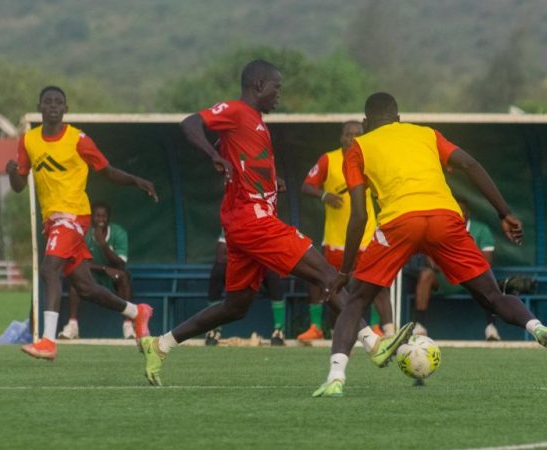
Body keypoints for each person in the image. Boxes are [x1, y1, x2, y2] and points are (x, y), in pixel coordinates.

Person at [140, 60, 412, 386]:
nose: (279, 94)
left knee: (235, 306)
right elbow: (190, 123)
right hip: (253, 221)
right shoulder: (238, 111)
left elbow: (238, 154)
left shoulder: (253, 122)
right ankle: (374, 344)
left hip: (246, 223)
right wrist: (213, 157)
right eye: (276, 87)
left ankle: (159, 345)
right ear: (258, 86)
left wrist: (270, 179)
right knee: (326, 274)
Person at [316, 92, 547, 397]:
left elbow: (360, 214)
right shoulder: (426, 134)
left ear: (365, 124)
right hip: (446, 218)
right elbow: (470, 164)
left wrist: (346, 269)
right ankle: (536, 328)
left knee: (355, 302)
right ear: (399, 119)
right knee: (492, 297)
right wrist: (504, 212)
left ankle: (336, 377)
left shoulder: (358, 148)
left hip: (400, 222)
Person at [5, 85, 158, 361]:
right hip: (51, 220)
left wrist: (136, 180)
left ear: (65, 109)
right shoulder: (28, 140)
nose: (52, 106)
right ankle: (137, 313)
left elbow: (107, 170)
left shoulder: (78, 139)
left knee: (49, 269)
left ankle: (48, 341)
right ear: (40, 107)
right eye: (47, 101)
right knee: (86, 288)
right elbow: (18, 185)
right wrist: (11, 172)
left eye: (58, 102)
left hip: (74, 216)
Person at [300, 121, 394, 341]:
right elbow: (306, 185)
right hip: (336, 238)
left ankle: (379, 328)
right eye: (348, 134)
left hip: (367, 235)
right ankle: (318, 327)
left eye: (357, 134)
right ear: (341, 137)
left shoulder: (371, 159)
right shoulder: (329, 159)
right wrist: (324, 195)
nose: (352, 138)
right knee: (326, 282)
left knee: (375, 282)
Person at [413, 197, 501, 340]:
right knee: (426, 274)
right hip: (446, 278)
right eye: (456, 210)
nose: (459, 214)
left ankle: (491, 329)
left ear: (468, 213)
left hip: (472, 279)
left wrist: (459, 266)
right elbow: (430, 258)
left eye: (463, 211)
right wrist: (434, 262)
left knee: (486, 279)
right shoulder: (440, 228)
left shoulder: (481, 230)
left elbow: (486, 261)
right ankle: (419, 325)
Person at [57, 201, 136, 340]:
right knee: (76, 278)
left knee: (124, 276)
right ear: (92, 218)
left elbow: (121, 263)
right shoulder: (85, 233)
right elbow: (79, 262)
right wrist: (104, 268)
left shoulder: (118, 232)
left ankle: (128, 326)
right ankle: (72, 325)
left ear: (109, 218)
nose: (101, 220)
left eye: (104, 216)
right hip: (91, 276)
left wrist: (103, 244)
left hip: (112, 278)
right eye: (97, 216)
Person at [204, 230, 287, 346]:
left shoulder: (263, 221)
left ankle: (279, 330)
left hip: (258, 276)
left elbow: (270, 254)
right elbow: (221, 256)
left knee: (273, 272)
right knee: (217, 272)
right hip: (237, 273)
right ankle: (214, 329)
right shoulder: (233, 222)